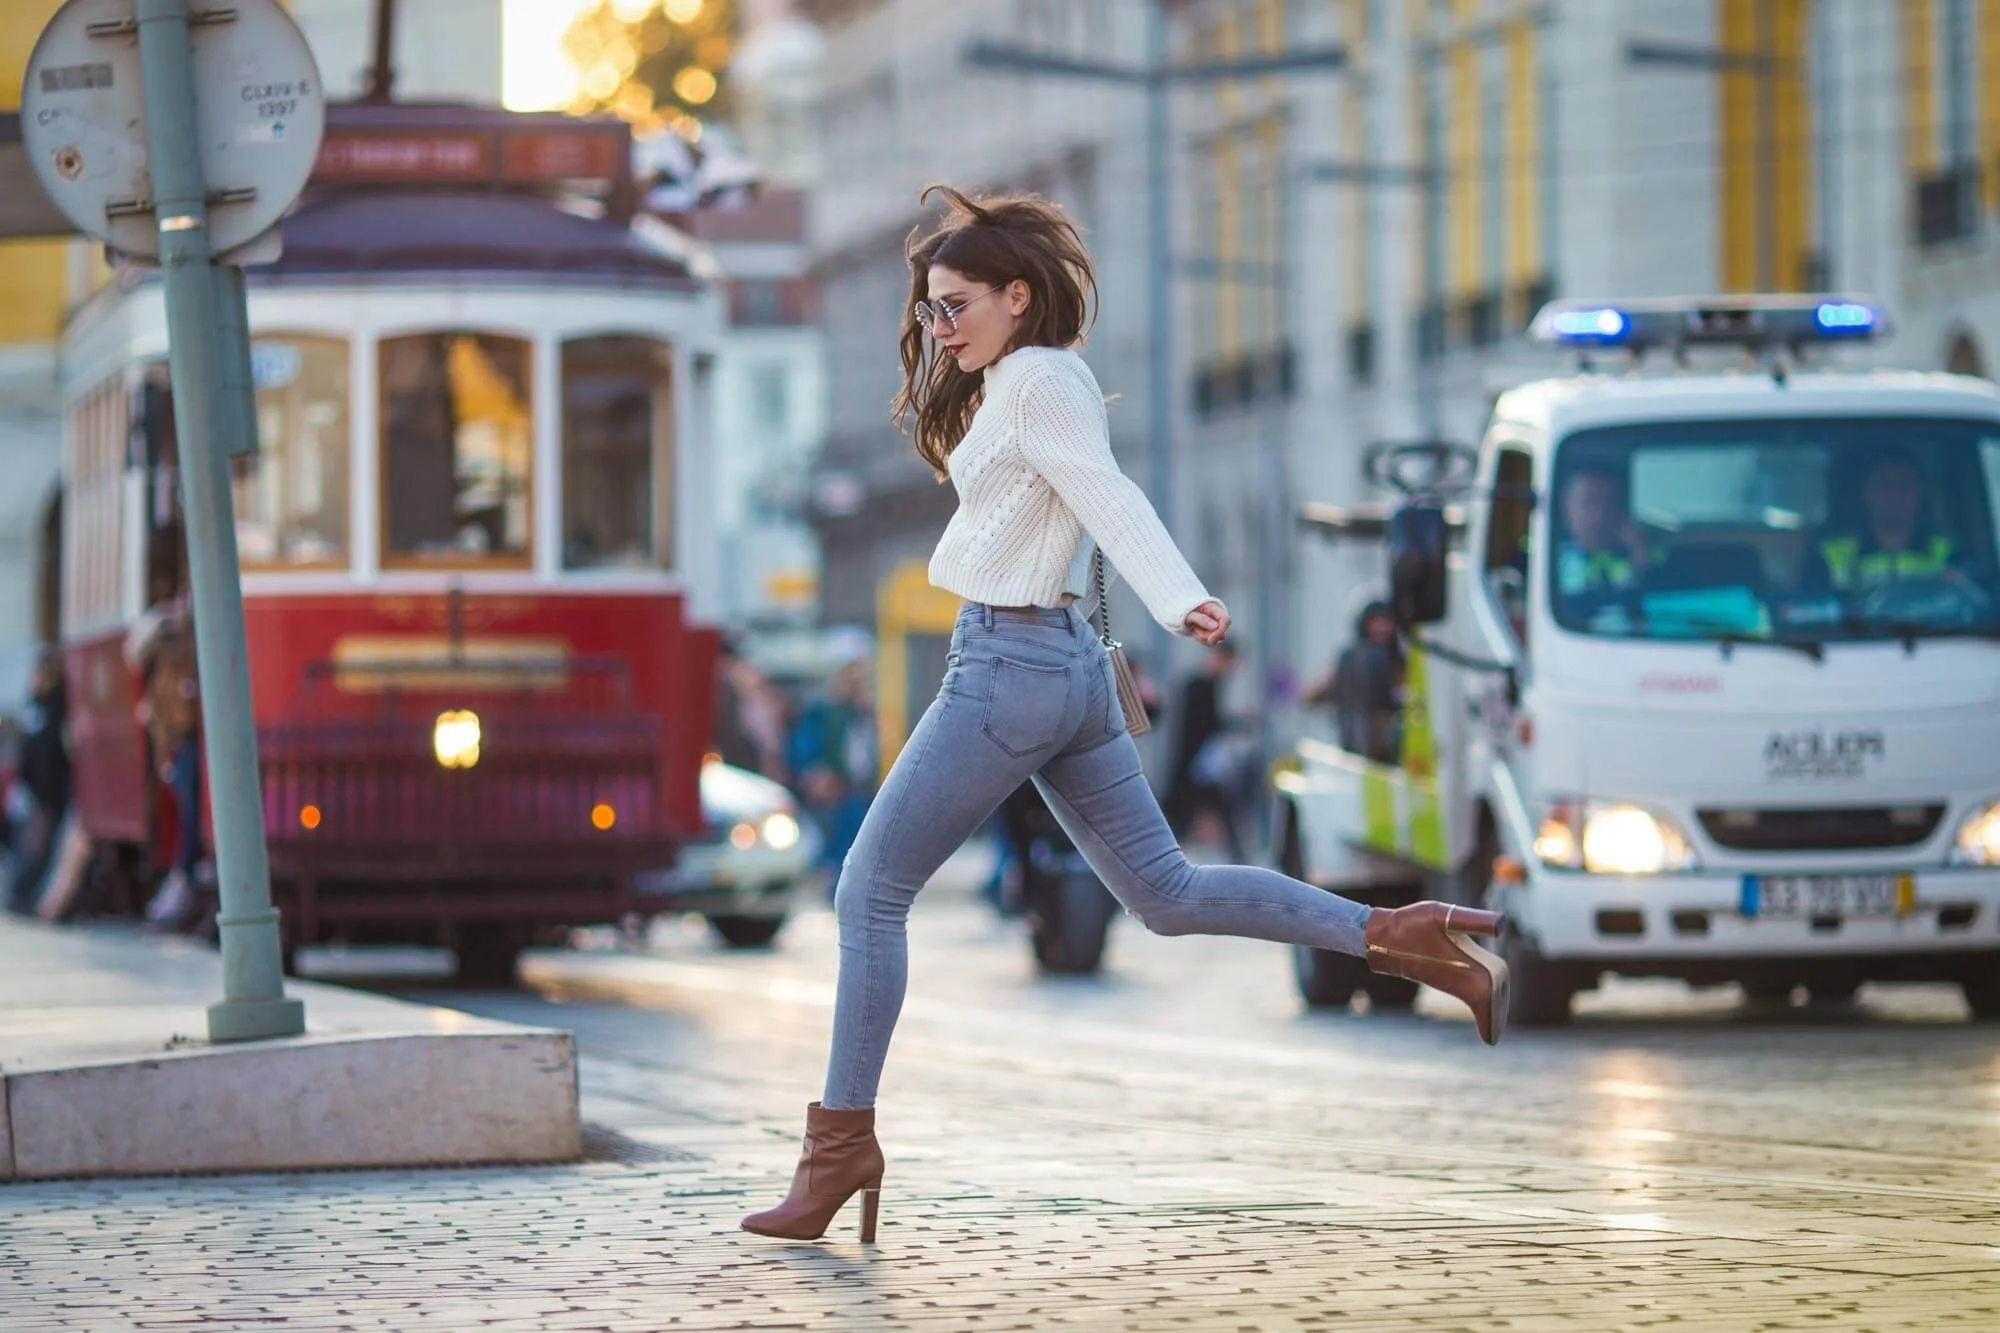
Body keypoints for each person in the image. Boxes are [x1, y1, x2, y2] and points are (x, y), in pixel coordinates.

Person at [741, 185, 1506, 1245]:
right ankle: (1399, 934)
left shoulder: (1042, 379)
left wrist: (1175, 592)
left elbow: (1106, 493)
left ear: (1019, 296)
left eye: (957, 304)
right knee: (1169, 892)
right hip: (1060, 671)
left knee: (869, 892)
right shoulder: (1020, 378)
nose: (939, 325)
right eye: (930, 309)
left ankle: (839, 1150)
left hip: (1007, 668)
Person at [1801, 450, 1960, 597]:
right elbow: (1809, 615)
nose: (1895, 494)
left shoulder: (1950, 553)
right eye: (1885, 484)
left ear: (1921, 491)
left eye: (1905, 484)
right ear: (1866, 493)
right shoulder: (1830, 556)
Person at [788, 649, 878, 885]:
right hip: (834, 786)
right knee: (832, 846)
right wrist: (815, 774)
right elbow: (805, 747)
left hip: (859, 787)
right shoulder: (823, 710)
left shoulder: (862, 711)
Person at [1163, 641, 1246, 860]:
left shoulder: (1205, 683)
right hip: (1197, 764)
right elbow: (1205, 724)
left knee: (1189, 812)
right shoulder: (1202, 684)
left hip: (1199, 764)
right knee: (1180, 813)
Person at [4, 648, 70, 916]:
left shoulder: (57, 706)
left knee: (39, 845)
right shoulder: (34, 704)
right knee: (27, 844)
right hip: (30, 791)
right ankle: (18, 894)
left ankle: (25, 896)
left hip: (48, 792)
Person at [1307, 600, 1405, 764]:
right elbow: (1314, 696)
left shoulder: (1402, 659)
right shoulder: (1352, 658)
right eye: (1375, 621)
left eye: (1386, 620)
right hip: (1361, 750)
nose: (1381, 627)